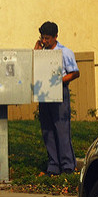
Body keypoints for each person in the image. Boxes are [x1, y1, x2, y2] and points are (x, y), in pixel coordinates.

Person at [34, 21, 80, 175]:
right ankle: (53, 165)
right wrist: (37, 51)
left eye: (48, 38)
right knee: (47, 129)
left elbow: (75, 73)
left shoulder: (65, 52)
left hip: (59, 92)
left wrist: (59, 81)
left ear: (55, 37)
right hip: (44, 93)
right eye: (43, 38)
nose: (45, 41)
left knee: (61, 129)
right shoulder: (42, 51)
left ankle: (67, 165)